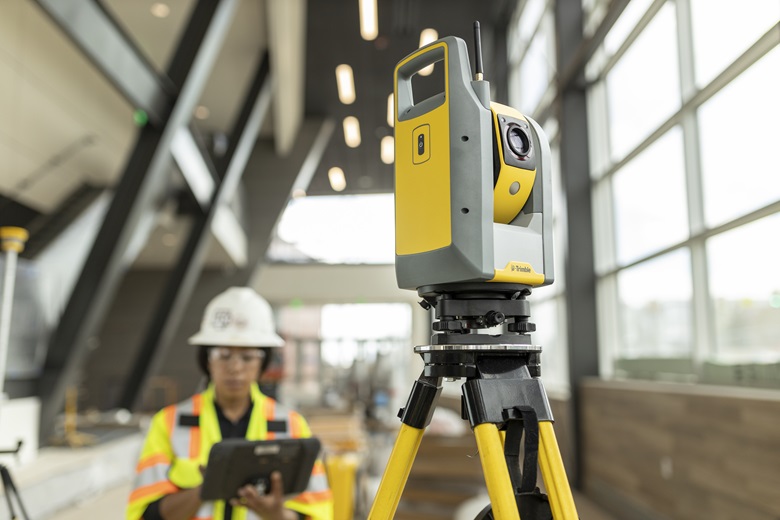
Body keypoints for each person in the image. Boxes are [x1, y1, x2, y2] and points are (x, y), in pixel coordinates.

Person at [126, 287, 333, 520]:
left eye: (247, 357)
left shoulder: (291, 426)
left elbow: (318, 512)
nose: (235, 367)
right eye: (223, 355)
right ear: (206, 359)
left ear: (263, 362)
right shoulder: (169, 424)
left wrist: (277, 515)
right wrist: (205, 490)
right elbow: (144, 514)